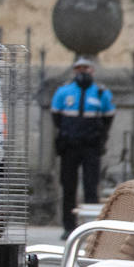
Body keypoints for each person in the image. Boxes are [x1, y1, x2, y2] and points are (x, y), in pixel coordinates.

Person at [51, 56, 115, 238]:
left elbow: (108, 118)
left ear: (92, 71)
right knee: (68, 187)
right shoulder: (63, 92)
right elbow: (56, 118)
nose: (83, 72)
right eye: (79, 69)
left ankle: (91, 228)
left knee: (91, 187)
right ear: (74, 71)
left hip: (91, 147)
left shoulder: (102, 93)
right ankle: (69, 227)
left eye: (86, 69)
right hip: (69, 147)